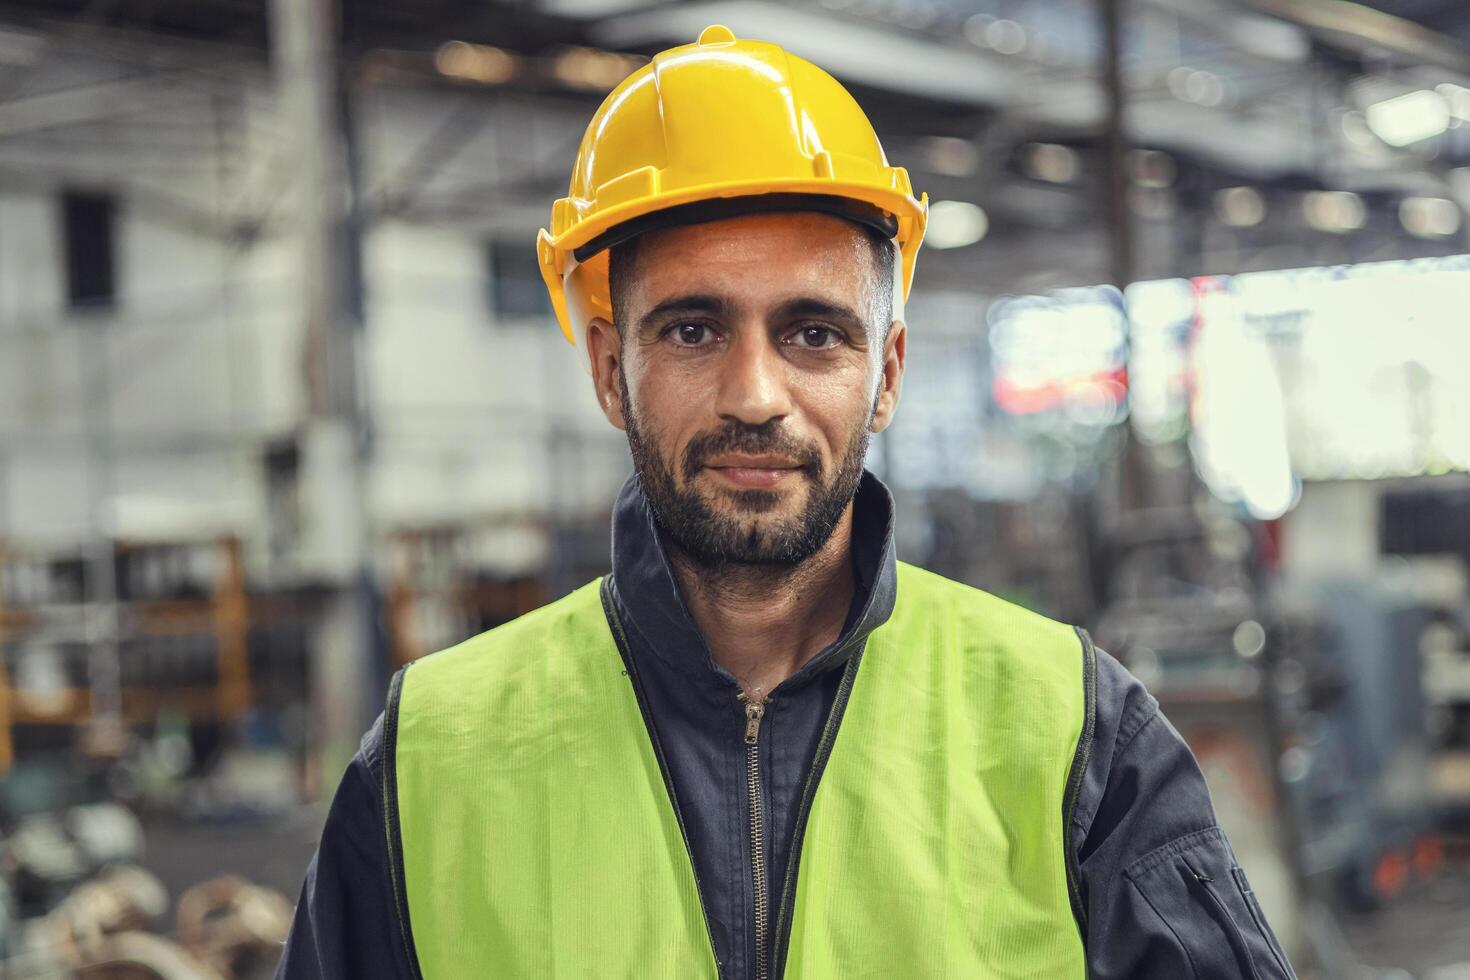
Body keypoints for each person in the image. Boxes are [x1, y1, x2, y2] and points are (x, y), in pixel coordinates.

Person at [277, 25, 1297, 980]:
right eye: (691, 330)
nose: (756, 395)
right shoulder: (432, 757)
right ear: (607, 366)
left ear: (886, 372)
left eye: (814, 332)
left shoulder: (1077, 733)